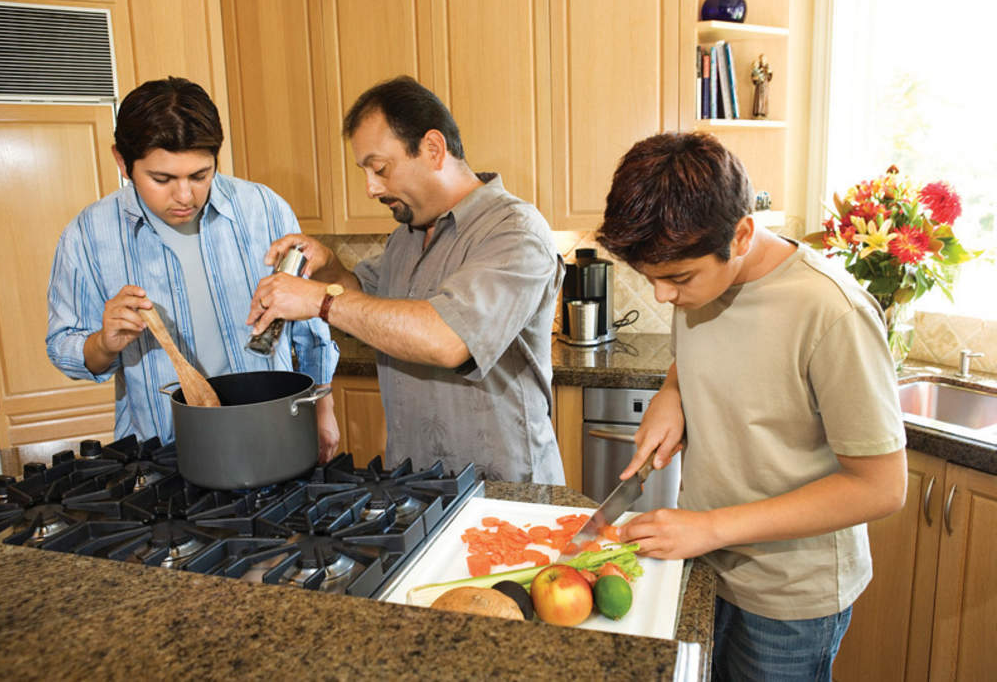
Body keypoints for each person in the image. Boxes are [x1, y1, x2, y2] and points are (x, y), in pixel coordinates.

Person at [596, 132, 907, 680]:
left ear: (740, 235)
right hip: (703, 565)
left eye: (675, 279)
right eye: (650, 280)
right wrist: (674, 393)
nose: (662, 297)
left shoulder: (831, 312)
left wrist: (711, 527)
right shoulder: (699, 280)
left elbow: (881, 486)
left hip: (790, 598)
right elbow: (706, 355)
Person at [246, 75, 565, 483]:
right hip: (417, 486)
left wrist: (320, 301)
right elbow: (370, 304)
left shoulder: (514, 230)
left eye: (380, 169)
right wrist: (329, 268)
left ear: (433, 149)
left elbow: (448, 339)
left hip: (504, 492)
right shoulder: (406, 237)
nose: (370, 188)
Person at [47, 76, 340, 458]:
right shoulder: (86, 235)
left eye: (200, 175)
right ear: (122, 160)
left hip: (273, 436)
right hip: (161, 453)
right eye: (162, 179)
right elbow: (63, 346)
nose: (185, 196)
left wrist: (323, 407)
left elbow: (310, 326)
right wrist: (104, 342)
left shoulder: (265, 209)